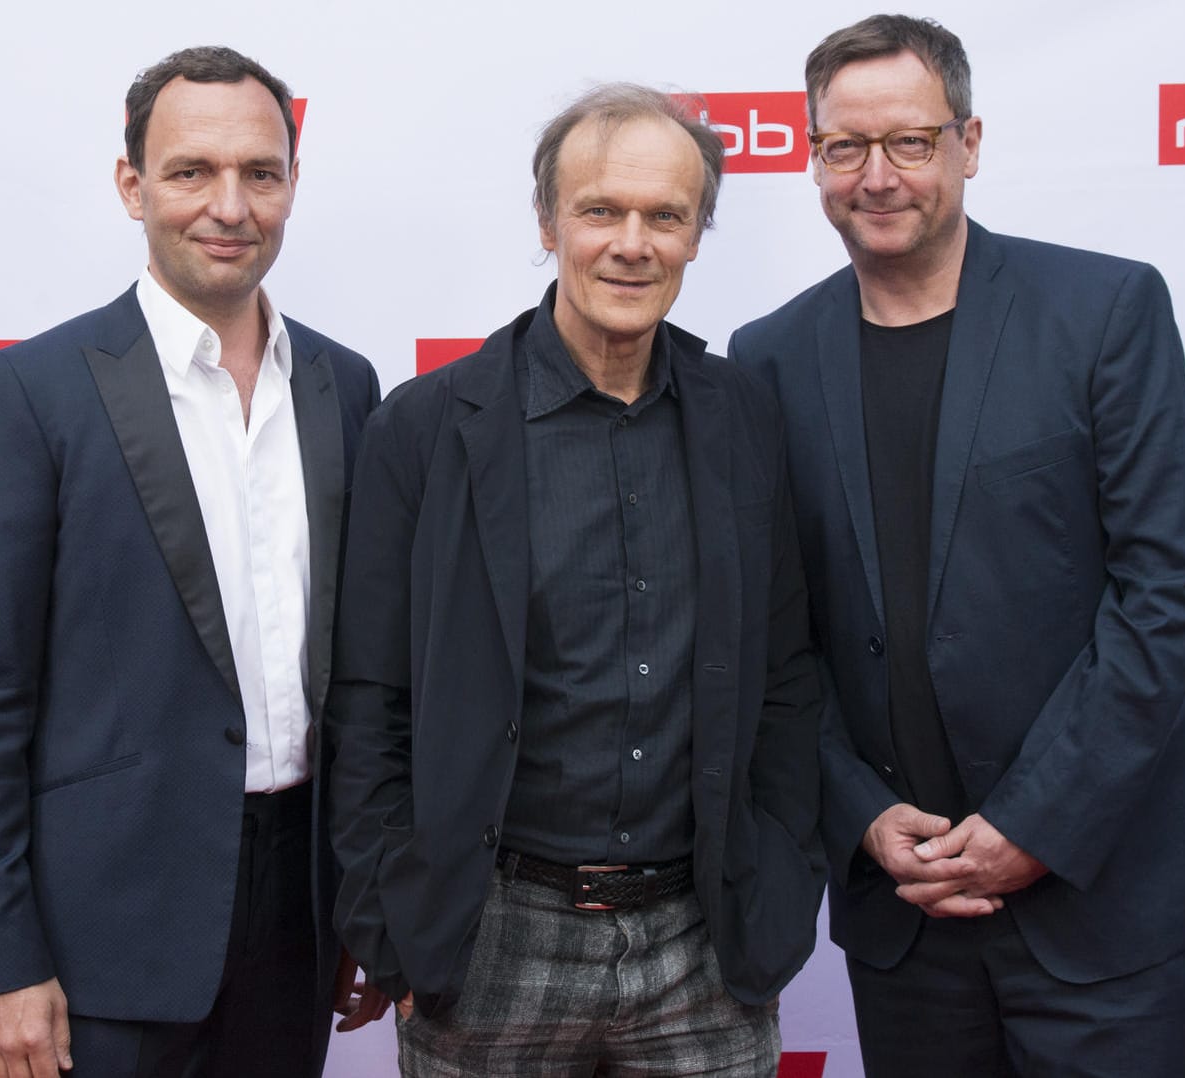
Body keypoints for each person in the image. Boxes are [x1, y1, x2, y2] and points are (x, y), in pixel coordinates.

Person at [728, 14, 1185, 1076]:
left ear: (968, 142)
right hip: (905, 918)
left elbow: (1166, 593)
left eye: (911, 142)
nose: (879, 177)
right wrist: (863, 816)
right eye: (846, 147)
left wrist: (1033, 824)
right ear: (811, 155)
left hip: (1108, 909)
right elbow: (778, 639)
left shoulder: (1104, 309)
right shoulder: (769, 358)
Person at [328, 83, 824, 1076]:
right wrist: (399, 918)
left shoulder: (746, 420)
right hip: (488, 938)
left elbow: (785, 680)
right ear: (549, 221)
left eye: (665, 216)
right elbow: (370, 698)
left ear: (696, 234)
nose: (631, 243)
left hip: (703, 945)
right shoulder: (425, 429)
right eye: (601, 210)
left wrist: (776, 893)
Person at [0, 45, 385, 1078]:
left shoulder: (345, 385)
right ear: (132, 185)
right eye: (191, 172)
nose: (229, 205)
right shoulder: (37, 389)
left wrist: (368, 898)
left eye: (259, 174)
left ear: (291, 187)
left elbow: (361, 671)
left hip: (301, 911)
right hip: (103, 931)